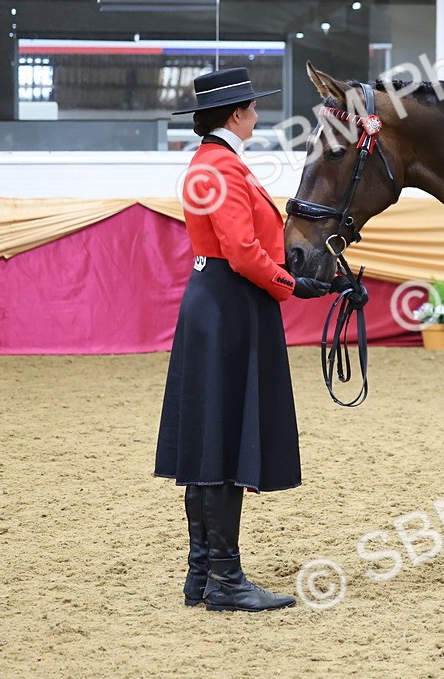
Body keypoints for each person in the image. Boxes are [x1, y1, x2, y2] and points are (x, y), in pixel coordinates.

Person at [155, 67, 334, 612]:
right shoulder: (223, 168)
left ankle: (203, 573)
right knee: (225, 439)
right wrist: (293, 285)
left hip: (218, 299)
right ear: (236, 114)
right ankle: (225, 579)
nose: (258, 114)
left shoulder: (211, 163)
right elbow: (243, 250)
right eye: (253, 107)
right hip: (231, 302)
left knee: (212, 434)